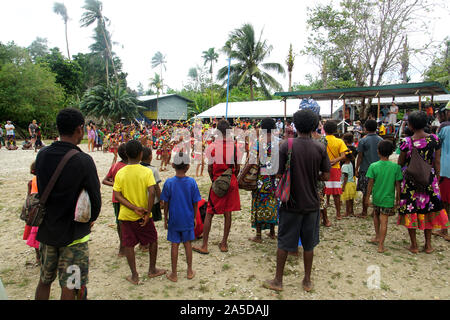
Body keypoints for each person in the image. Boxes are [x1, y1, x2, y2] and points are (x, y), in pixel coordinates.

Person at [34, 108, 101, 300]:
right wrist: (91, 220)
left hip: (47, 230)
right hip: (74, 235)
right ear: (80, 129)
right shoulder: (83, 160)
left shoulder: (43, 155)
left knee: (44, 281)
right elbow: (95, 201)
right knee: (70, 285)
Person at [263, 109, 331, 292]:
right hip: (312, 204)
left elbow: (276, 172)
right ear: (315, 126)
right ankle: (307, 281)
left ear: (294, 125)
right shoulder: (320, 147)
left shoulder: (286, 145)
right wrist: (311, 175)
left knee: (284, 242)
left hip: (289, 202)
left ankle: (278, 280)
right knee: (309, 244)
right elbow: (325, 175)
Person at [113, 140, 166, 285]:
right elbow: (151, 192)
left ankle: (134, 275)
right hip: (144, 216)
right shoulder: (147, 171)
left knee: (128, 244)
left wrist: (132, 207)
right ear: (141, 154)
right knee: (153, 240)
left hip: (126, 215)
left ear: (126, 154)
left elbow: (117, 195)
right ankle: (152, 269)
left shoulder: (121, 172)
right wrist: (148, 212)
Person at [397, 111, 449, 254]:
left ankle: (414, 245)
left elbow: (401, 162)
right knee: (429, 210)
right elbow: (437, 162)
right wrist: (437, 179)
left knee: (411, 210)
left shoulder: (406, 142)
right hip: (429, 180)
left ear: (411, 125)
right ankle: (428, 245)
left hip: (411, 182)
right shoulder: (434, 139)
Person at [193, 119, 241, 254]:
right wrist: (232, 178)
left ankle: (205, 245)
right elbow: (237, 167)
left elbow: (209, 168)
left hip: (217, 181)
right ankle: (224, 243)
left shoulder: (213, 147)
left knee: (209, 213)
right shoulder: (234, 146)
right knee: (228, 212)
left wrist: (214, 181)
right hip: (230, 180)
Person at [160, 152, 201, 282]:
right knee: (187, 243)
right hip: (188, 218)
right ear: (188, 166)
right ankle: (189, 270)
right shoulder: (191, 182)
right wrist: (194, 217)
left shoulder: (169, 183)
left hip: (174, 219)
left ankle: (174, 273)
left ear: (172, 165)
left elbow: (165, 203)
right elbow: (195, 202)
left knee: (174, 244)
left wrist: (165, 218)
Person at [366, 140, 403, 253]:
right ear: (391, 152)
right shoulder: (396, 167)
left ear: (378, 152)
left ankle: (377, 236)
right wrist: (398, 199)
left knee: (376, 216)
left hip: (377, 197)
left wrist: (367, 198)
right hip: (388, 199)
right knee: (384, 221)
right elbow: (398, 185)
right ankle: (381, 245)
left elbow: (370, 184)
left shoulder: (373, 166)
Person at [249, 118, 279, 243]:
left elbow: (252, 161)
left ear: (262, 128)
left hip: (261, 177)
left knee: (259, 202)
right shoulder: (279, 142)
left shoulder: (257, 143)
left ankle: (259, 235)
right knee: (272, 201)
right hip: (274, 177)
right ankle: (272, 232)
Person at [102, 143, 128, 257]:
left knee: (120, 223)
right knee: (122, 223)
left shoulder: (116, 166)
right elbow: (104, 180)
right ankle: (123, 247)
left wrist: (115, 184)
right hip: (123, 199)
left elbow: (105, 181)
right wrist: (117, 185)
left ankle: (124, 246)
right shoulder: (123, 167)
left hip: (117, 199)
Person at [355, 119, 383, 218]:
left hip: (366, 169)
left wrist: (356, 168)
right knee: (377, 191)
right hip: (379, 170)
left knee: (365, 191)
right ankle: (375, 211)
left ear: (365, 128)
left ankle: (364, 211)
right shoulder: (381, 140)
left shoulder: (363, 140)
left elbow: (360, 156)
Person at [323, 120, 348, 220]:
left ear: (324, 129)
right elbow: (344, 155)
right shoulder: (339, 141)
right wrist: (335, 160)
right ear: (335, 130)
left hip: (323, 168)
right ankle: (338, 214)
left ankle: (322, 215)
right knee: (336, 193)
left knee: (322, 192)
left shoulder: (321, 140)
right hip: (335, 168)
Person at [434, 103, 450, 241]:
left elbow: (436, 145)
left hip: (446, 169)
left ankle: (445, 230)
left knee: (445, 201)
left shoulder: (444, 128)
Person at [23, 161, 40, 264]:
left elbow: (28, 197)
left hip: (33, 211)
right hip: (41, 210)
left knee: (34, 235)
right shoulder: (47, 179)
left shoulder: (31, 182)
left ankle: (38, 257)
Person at [140, 146, 163, 223]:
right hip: (153, 201)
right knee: (151, 221)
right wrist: (161, 200)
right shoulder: (153, 170)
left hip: (140, 201)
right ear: (150, 156)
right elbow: (157, 188)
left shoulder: (137, 168)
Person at [341, 153, 356, 217]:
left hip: (347, 184)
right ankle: (351, 211)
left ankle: (347, 212)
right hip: (352, 183)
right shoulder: (350, 163)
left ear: (346, 157)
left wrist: (343, 186)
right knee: (351, 199)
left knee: (347, 199)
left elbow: (345, 177)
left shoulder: (344, 166)